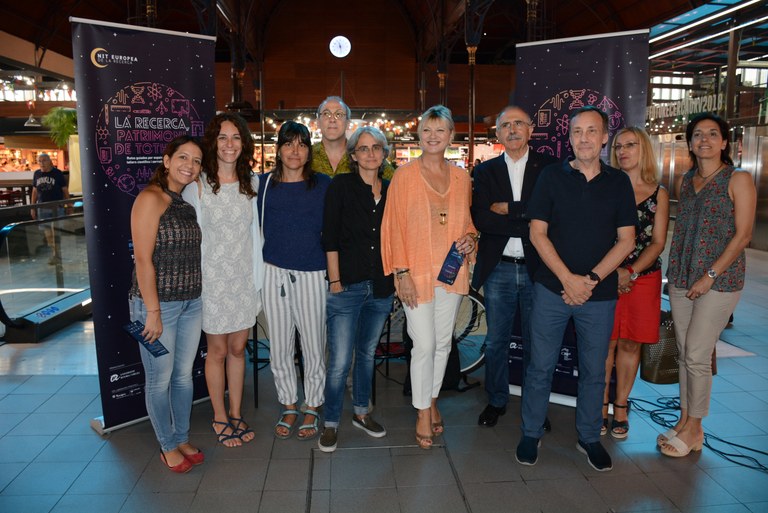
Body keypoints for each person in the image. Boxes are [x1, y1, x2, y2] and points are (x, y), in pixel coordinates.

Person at [516, 106, 636, 472]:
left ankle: (588, 437)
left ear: (604, 137)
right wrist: (568, 279)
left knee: (594, 370)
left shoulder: (618, 182)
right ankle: (531, 432)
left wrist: (591, 280)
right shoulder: (551, 177)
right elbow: (537, 233)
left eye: (591, 131)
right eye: (577, 131)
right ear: (569, 138)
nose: (584, 138)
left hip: (598, 295)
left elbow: (627, 240)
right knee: (540, 366)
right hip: (551, 290)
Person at [659, 113, 756, 458]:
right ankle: (686, 421)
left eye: (713, 134)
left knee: (698, 354)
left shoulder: (738, 179)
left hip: (720, 281)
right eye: (698, 134)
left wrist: (709, 276)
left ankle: (695, 427)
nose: (705, 140)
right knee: (685, 352)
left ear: (725, 142)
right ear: (690, 142)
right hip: (682, 276)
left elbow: (743, 235)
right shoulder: (687, 180)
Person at [381, 105, 477, 449]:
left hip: (451, 271)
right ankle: (422, 410)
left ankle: (432, 399)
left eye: (440, 130)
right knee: (423, 343)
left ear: (451, 136)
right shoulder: (404, 176)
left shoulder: (462, 178)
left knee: (442, 343)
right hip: (416, 272)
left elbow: (467, 223)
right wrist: (402, 273)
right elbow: (393, 227)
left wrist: (471, 238)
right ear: (419, 135)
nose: (433, 136)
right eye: (427, 130)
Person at [471, 105, 556, 428]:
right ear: (498, 133)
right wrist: (530, 218)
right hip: (499, 269)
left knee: (538, 343)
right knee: (495, 341)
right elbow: (483, 219)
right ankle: (496, 400)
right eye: (505, 125)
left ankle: (536, 407)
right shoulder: (486, 171)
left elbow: (553, 215)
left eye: (519, 123)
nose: (513, 130)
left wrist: (510, 209)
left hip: (539, 268)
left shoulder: (549, 168)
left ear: (531, 129)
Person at [182, 113, 263, 448]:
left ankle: (236, 411)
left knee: (238, 348)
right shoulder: (197, 185)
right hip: (213, 282)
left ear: (244, 143)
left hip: (244, 278)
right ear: (213, 143)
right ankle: (219, 415)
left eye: (236, 137)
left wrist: (257, 280)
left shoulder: (252, 182)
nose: (230, 144)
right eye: (223, 137)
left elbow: (255, 234)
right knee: (216, 350)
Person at [129, 135, 205, 473]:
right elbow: (143, 260)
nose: (190, 165)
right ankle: (167, 445)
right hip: (156, 307)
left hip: (191, 303)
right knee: (159, 380)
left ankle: (181, 437)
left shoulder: (185, 204)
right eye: (183, 157)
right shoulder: (150, 198)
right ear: (167, 160)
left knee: (183, 377)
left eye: (196, 161)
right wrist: (153, 312)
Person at [318, 126, 395, 453]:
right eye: (363, 148)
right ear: (353, 155)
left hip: (381, 287)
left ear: (384, 153)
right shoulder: (341, 186)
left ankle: (362, 413)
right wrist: (335, 281)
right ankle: (330, 422)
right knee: (339, 361)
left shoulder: (391, 189)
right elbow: (330, 236)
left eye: (376, 147)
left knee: (366, 355)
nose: (370, 153)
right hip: (346, 286)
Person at [258, 121, 331, 441]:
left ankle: (312, 404)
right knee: (279, 347)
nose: (295, 151)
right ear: (278, 149)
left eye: (301, 144)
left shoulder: (323, 185)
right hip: (273, 272)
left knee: (314, 344)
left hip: (313, 273)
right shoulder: (262, 185)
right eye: (288, 144)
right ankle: (288, 403)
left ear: (309, 151)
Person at [601, 128, 669, 440]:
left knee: (630, 344)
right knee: (604, 344)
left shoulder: (659, 193)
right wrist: (612, 272)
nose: (623, 151)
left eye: (631, 145)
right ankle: (599, 406)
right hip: (605, 276)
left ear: (644, 150)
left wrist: (631, 272)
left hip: (643, 278)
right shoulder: (604, 186)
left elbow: (658, 242)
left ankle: (621, 407)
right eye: (618, 146)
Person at [311, 96, 394, 180]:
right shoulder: (307, 156)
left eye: (339, 114)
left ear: (348, 123)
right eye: (326, 114)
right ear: (318, 122)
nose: (332, 119)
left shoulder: (362, 155)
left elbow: (395, 179)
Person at [31, 153, 69, 264]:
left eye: (44, 160)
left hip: (57, 207)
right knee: (48, 234)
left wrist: (69, 205)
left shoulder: (57, 173)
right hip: (42, 207)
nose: (42, 163)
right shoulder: (37, 174)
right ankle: (55, 254)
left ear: (50, 161)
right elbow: (34, 191)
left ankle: (57, 255)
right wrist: (32, 207)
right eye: (39, 161)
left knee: (56, 232)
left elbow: (65, 190)